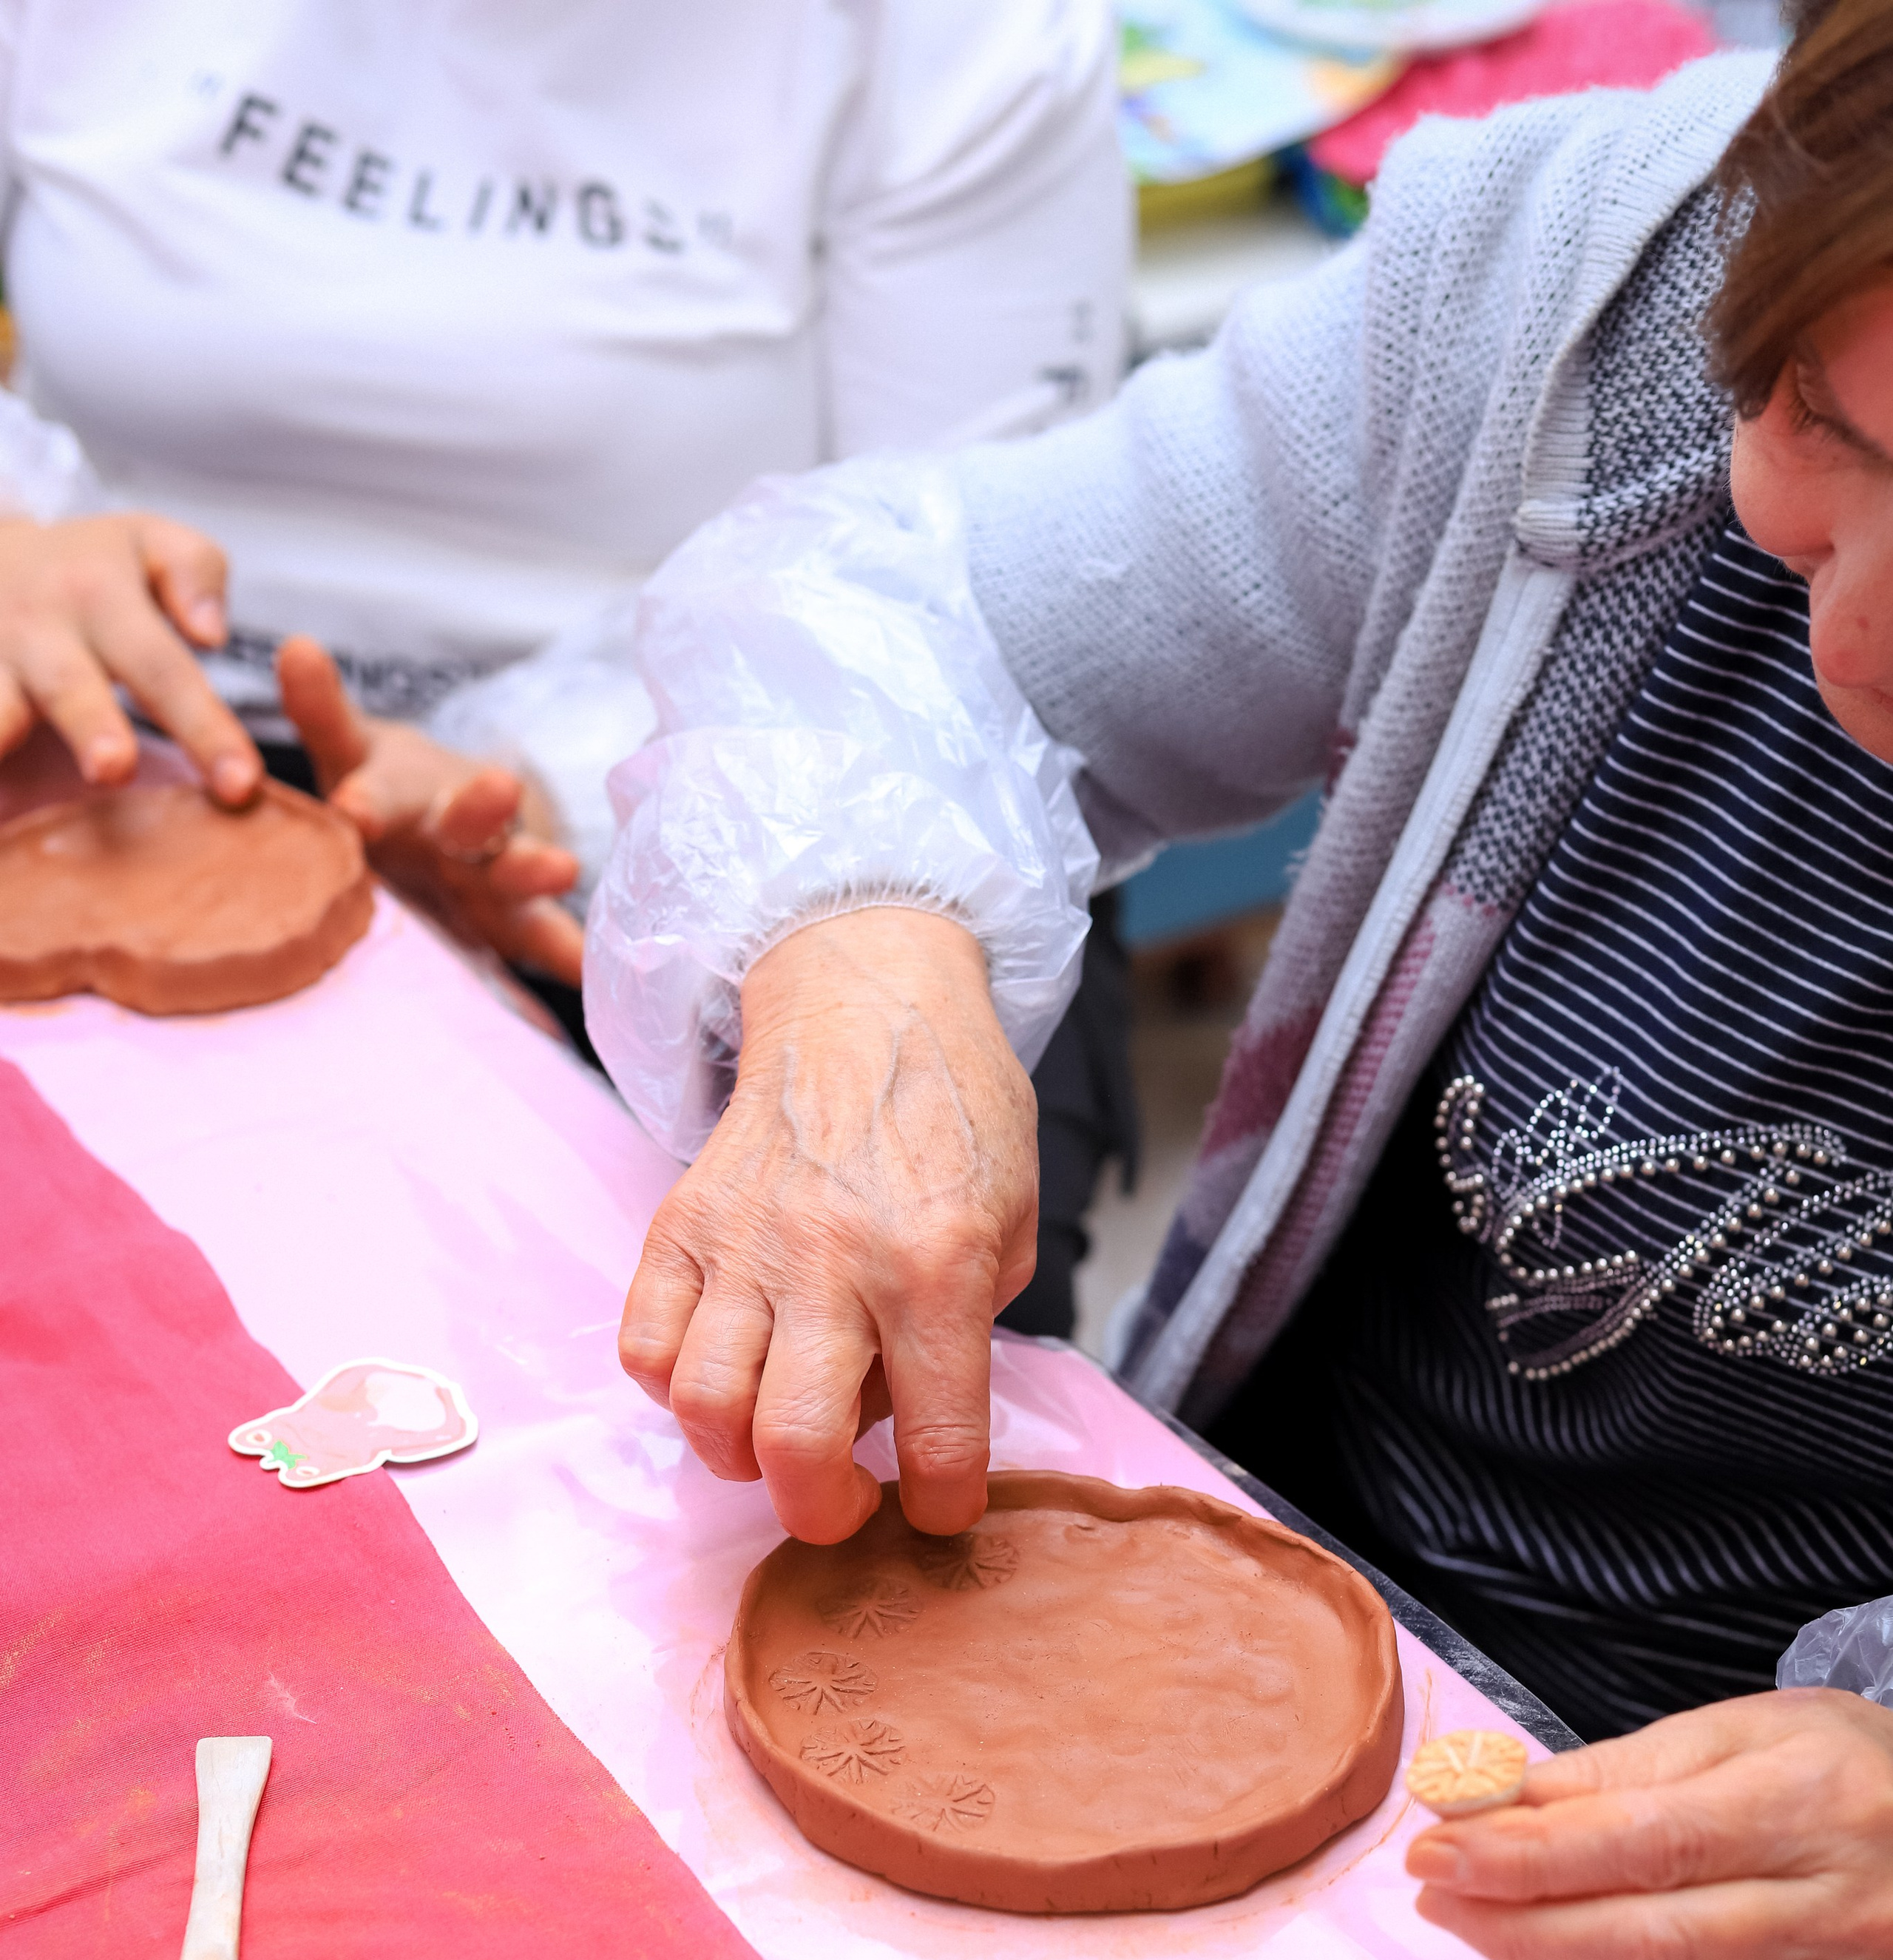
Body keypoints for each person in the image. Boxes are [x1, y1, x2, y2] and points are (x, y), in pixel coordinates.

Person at [590, 0, 1893, 1960]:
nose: (1841, 633)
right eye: (1817, 415)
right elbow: (889, 605)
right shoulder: (1592, 291)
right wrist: (860, 950)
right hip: (1281, 1620)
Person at [0, 0, 1132, 1317]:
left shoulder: (956, 40)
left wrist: (558, 789)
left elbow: (961, 597)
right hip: (119, 745)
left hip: (758, 818)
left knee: (798, 1393)